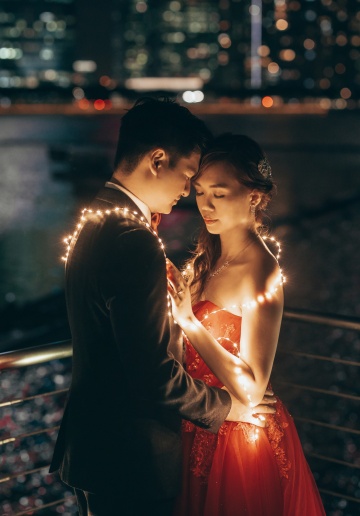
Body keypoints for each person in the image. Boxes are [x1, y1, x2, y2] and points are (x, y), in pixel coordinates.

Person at [49, 100, 276, 516]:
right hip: (131, 457)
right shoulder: (132, 240)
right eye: (189, 175)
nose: (188, 191)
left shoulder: (97, 217)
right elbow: (154, 374)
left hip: (96, 448)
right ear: (157, 160)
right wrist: (230, 408)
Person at [167, 134, 325, 516]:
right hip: (197, 420)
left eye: (219, 194)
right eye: (200, 192)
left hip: (239, 439)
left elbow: (253, 388)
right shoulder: (208, 259)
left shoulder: (262, 272)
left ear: (253, 196)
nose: (205, 205)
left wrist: (188, 321)